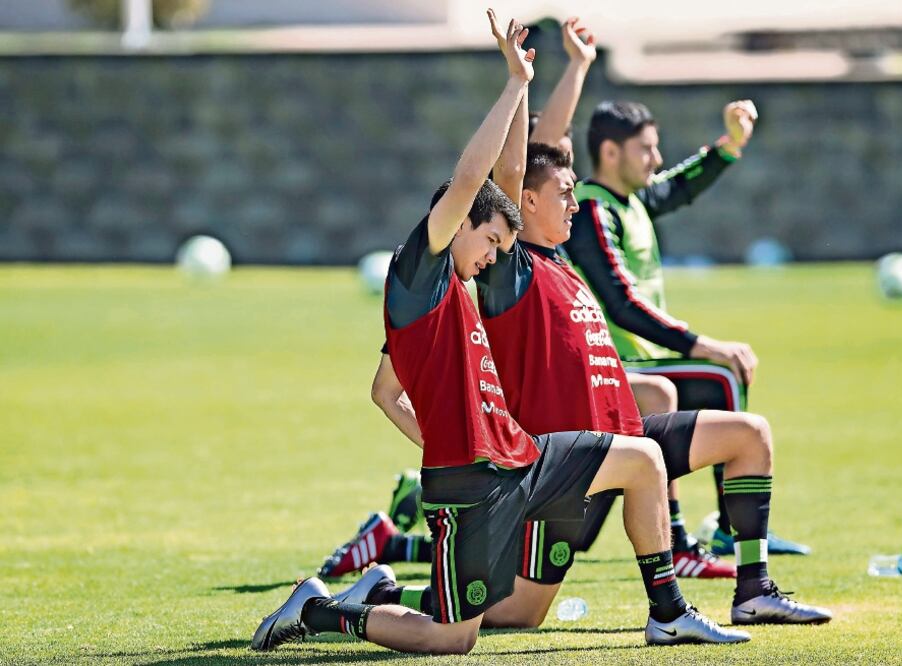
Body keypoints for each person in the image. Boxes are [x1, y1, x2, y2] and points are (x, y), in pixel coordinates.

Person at [251, 11, 747, 653]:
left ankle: (669, 613)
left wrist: (440, 435)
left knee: (643, 460)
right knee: (452, 639)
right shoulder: (419, 269)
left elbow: (383, 391)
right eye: (489, 240)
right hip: (471, 485)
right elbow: (476, 178)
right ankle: (320, 611)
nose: (493, 256)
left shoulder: (451, 293)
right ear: (457, 223)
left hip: (520, 457)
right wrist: (514, 84)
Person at [351, 140, 832, 631]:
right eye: (564, 192)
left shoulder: (561, 266)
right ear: (527, 201)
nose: (575, 204)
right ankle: (383, 593)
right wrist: (519, 93)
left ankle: (752, 593)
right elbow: (507, 168)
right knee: (513, 613)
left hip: (615, 438)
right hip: (558, 457)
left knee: (749, 435)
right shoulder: (511, 270)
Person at [564, 99, 811, 557]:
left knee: (724, 375)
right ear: (611, 153)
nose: (656, 159)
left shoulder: (632, 200)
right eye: (646, 149)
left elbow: (679, 186)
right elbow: (622, 305)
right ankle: (718, 531)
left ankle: (727, 526)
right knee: (722, 375)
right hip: (620, 367)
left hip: (650, 362)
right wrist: (701, 345)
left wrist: (730, 145)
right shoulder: (592, 212)